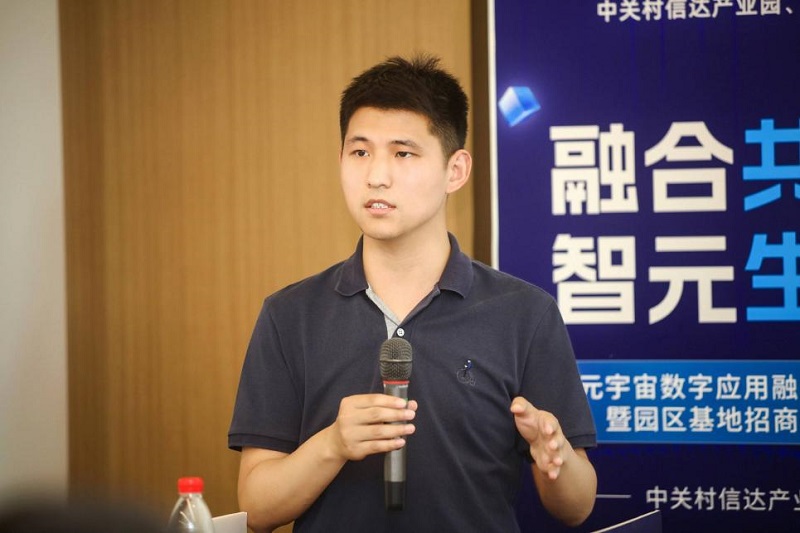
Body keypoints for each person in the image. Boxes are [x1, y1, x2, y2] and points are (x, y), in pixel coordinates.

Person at [228, 54, 597, 533]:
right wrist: (332, 444)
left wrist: (556, 457)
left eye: (403, 154)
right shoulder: (290, 315)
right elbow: (256, 508)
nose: (376, 176)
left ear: (455, 170)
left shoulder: (524, 313)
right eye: (360, 152)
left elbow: (577, 506)